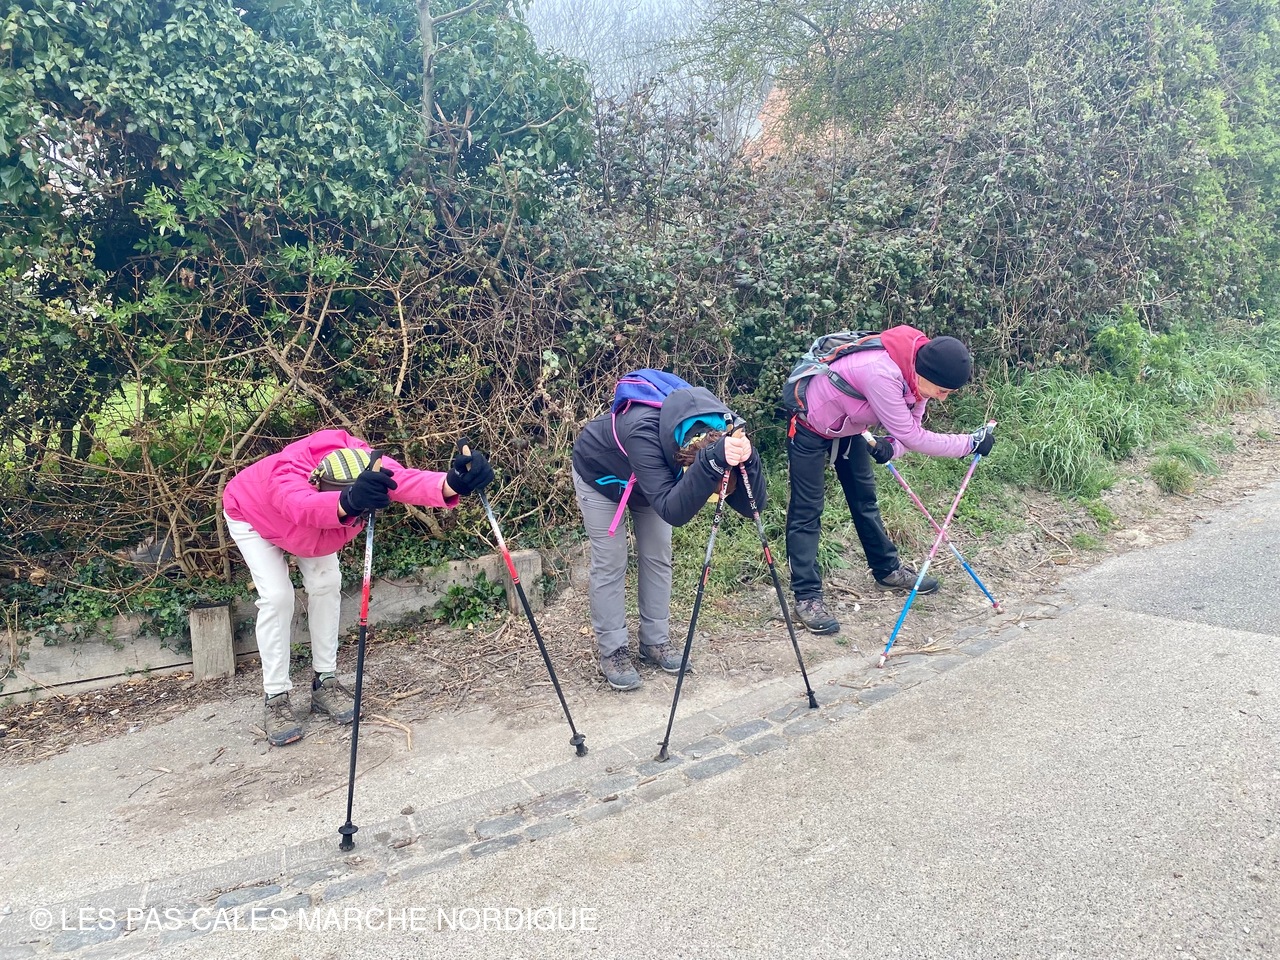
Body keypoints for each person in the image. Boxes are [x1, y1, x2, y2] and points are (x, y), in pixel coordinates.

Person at [222, 429, 494, 746]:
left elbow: (402, 481)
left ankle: (325, 682)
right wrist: (349, 502)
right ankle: (276, 697)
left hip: (316, 529)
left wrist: (454, 483)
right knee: (277, 597)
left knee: (326, 583)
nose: (361, 516)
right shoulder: (286, 478)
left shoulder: (364, 461)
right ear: (318, 484)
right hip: (253, 514)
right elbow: (302, 506)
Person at [783, 326, 996, 635]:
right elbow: (914, 437)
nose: (943, 398)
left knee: (865, 500)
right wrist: (969, 444)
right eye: (942, 390)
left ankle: (887, 571)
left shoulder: (917, 372)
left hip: (851, 428)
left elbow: (908, 432)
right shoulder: (881, 373)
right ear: (926, 373)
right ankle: (807, 597)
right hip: (810, 425)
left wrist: (891, 448)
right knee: (807, 510)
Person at [571, 379, 766, 690]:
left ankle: (655, 641)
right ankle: (613, 650)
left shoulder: (726, 428)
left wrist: (749, 459)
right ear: (689, 465)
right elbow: (672, 511)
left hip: (653, 482)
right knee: (611, 560)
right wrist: (708, 465)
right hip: (599, 474)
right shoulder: (644, 433)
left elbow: (750, 504)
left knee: (658, 555)